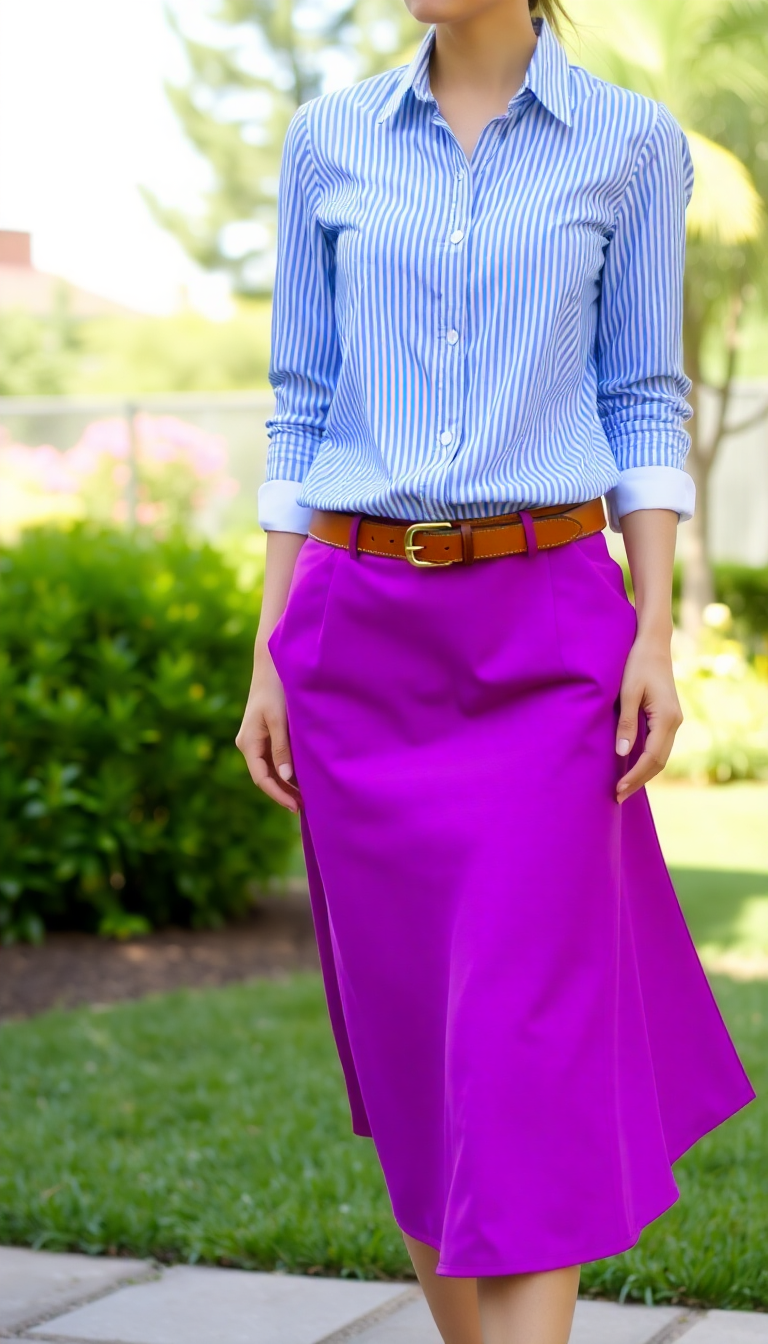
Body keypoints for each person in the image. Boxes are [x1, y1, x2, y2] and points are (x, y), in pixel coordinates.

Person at [236, 1, 756, 1340]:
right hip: (355, 638)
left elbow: (643, 391)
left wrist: (652, 626)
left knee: (522, 1061)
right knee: (418, 1055)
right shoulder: (327, 141)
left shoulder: (631, 145)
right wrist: (269, 652)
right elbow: (303, 397)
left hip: (546, 638)